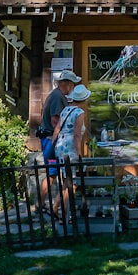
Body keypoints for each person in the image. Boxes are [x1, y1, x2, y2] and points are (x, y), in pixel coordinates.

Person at [35, 69, 81, 210]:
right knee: (53, 173)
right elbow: (56, 121)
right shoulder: (58, 97)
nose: (72, 87)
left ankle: (44, 203)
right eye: (72, 84)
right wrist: (60, 141)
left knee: (53, 173)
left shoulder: (56, 95)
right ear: (66, 84)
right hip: (51, 141)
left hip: (50, 140)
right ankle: (43, 204)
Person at [50, 83, 91, 218]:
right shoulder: (79, 113)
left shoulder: (66, 110)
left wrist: (53, 146)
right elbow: (77, 135)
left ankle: (55, 207)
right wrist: (79, 153)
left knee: (67, 181)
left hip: (60, 146)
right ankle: (65, 213)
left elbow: (57, 129)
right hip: (70, 148)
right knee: (72, 184)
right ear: (84, 100)